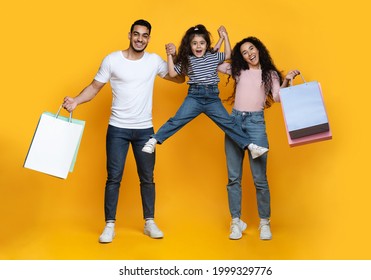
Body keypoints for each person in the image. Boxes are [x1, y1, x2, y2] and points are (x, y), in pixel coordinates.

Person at [62, 19, 185, 243]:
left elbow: (179, 79)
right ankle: (109, 226)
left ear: (149, 38)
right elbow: (94, 87)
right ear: (129, 35)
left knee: (147, 177)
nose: (140, 39)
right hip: (117, 129)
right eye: (136, 34)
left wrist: (173, 57)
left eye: (145, 35)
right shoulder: (112, 60)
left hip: (145, 130)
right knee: (113, 178)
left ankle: (149, 222)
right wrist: (76, 102)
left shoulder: (154, 61)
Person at [141, 25, 268, 159]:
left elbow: (228, 54)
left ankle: (251, 146)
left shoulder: (212, 57)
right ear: (189, 46)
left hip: (212, 98)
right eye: (194, 43)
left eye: (202, 43)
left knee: (229, 123)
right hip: (194, 97)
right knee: (177, 120)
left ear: (207, 45)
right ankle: (154, 140)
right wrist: (169, 55)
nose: (198, 46)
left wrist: (225, 37)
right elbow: (172, 73)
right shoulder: (187, 60)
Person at [218, 36, 299, 240]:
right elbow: (217, 62)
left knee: (260, 179)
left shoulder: (269, 74)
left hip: (255, 125)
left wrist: (287, 79)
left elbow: (279, 97)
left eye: (251, 49)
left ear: (258, 49)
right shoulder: (239, 71)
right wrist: (224, 39)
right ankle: (235, 222)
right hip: (235, 123)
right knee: (233, 178)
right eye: (244, 52)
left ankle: (264, 222)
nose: (249, 54)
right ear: (241, 57)